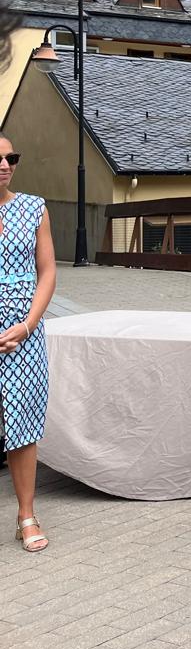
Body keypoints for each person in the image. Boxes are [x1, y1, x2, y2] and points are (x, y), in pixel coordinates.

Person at [0, 135, 56, 552]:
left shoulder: (34, 207)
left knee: (23, 419)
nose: (5, 165)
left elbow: (48, 271)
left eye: (11, 157)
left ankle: (26, 515)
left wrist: (28, 324)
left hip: (23, 331)